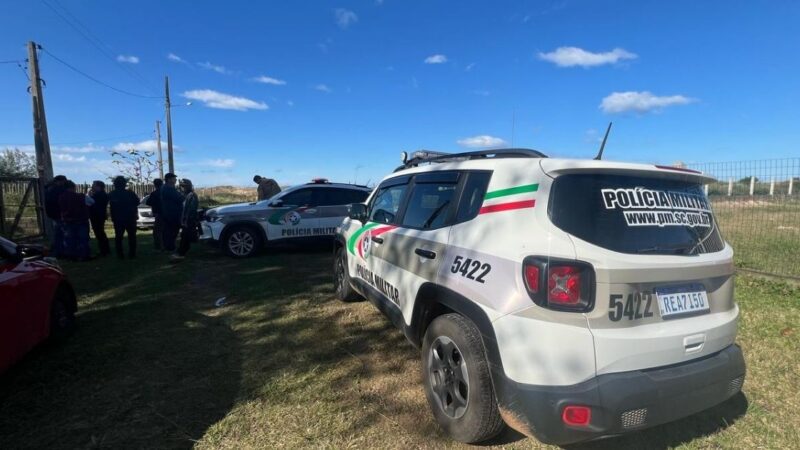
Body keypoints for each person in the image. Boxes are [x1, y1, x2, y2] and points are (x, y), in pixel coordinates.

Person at [58, 180, 92, 261]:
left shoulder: (61, 197)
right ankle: (84, 255)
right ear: (73, 187)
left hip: (68, 220)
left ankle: (71, 255)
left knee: (70, 239)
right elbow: (91, 202)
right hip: (81, 220)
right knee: (83, 239)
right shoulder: (81, 196)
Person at [108, 176, 140, 259]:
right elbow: (137, 202)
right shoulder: (130, 193)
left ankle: (120, 254)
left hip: (118, 218)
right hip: (130, 217)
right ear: (124, 184)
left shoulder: (112, 194)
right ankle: (132, 254)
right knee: (132, 236)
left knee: (118, 237)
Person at [171, 179, 199, 261]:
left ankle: (181, 253)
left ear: (188, 186)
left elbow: (191, 210)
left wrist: (187, 220)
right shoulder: (186, 195)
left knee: (185, 236)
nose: (182, 188)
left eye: (184, 186)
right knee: (184, 236)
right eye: (182, 186)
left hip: (189, 220)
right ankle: (182, 251)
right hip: (185, 220)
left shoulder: (192, 195)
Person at [44, 175, 68, 257]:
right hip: (58, 213)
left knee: (57, 232)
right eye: (64, 181)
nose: (64, 183)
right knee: (60, 233)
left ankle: (55, 249)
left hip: (52, 213)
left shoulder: (48, 188)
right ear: (60, 181)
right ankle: (60, 251)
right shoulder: (58, 190)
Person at [160, 173, 184, 252]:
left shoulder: (167, 188)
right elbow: (179, 199)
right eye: (174, 178)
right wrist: (183, 194)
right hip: (171, 213)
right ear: (169, 179)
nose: (175, 180)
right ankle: (170, 247)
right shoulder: (168, 188)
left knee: (170, 231)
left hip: (170, 213)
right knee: (171, 231)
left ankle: (169, 246)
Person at [88, 180, 111, 257]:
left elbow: (92, 204)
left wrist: (90, 196)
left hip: (97, 216)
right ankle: (105, 249)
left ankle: (104, 250)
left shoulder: (99, 195)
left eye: (94, 185)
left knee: (99, 233)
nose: (92, 186)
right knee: (100, 233)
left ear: (98, 186)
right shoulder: (102, 194)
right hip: (99, 215)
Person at [145, 178, 164, 250]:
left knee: (157, 232)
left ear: (155, 185)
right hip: (167, 213)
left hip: (159, 214)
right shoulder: (166, 192)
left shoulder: (154, 193)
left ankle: (160, 247)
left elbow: (148, 202)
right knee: (165, 230)